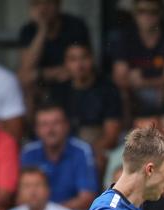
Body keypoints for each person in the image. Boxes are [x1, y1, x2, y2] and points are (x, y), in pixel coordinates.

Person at [46, 42, 121, 171]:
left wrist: (83, 153)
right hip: (63, 146)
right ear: (66, 63)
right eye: (73, 59)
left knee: (97, 162)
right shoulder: (58, 91)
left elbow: (111, 136)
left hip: (95, 147)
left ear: (92, 59)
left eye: (84, 58)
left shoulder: (108, 90)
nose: (79, 65)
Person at [20, 103, 96, 210]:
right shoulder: (29, 152)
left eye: (56, 123)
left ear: (66, 126)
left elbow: (86, 198)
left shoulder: (81, 150)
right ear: (36, 129)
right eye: (44, 124)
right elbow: (21, 197)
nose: (50, 130)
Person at [111, 0, 164, 112]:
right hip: (133, 92)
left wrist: (143, 82)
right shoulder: (126, 37)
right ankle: (128, 128)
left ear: (160, 13)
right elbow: (118, 77)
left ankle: (161, 125)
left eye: (153, 12)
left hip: (160, 91)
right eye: (141, 11)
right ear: (134, 14)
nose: (147, 16)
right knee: (122, 93)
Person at [18, 0, 89, 89]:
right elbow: (26, 70)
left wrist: (39, 74)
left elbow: (81, 65)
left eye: (47, 3)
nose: (43, 9)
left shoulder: (75, 26)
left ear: (58, 5)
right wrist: (42, 30)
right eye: (37, 4)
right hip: (41, 86)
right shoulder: (28, 30)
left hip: (70, 84)